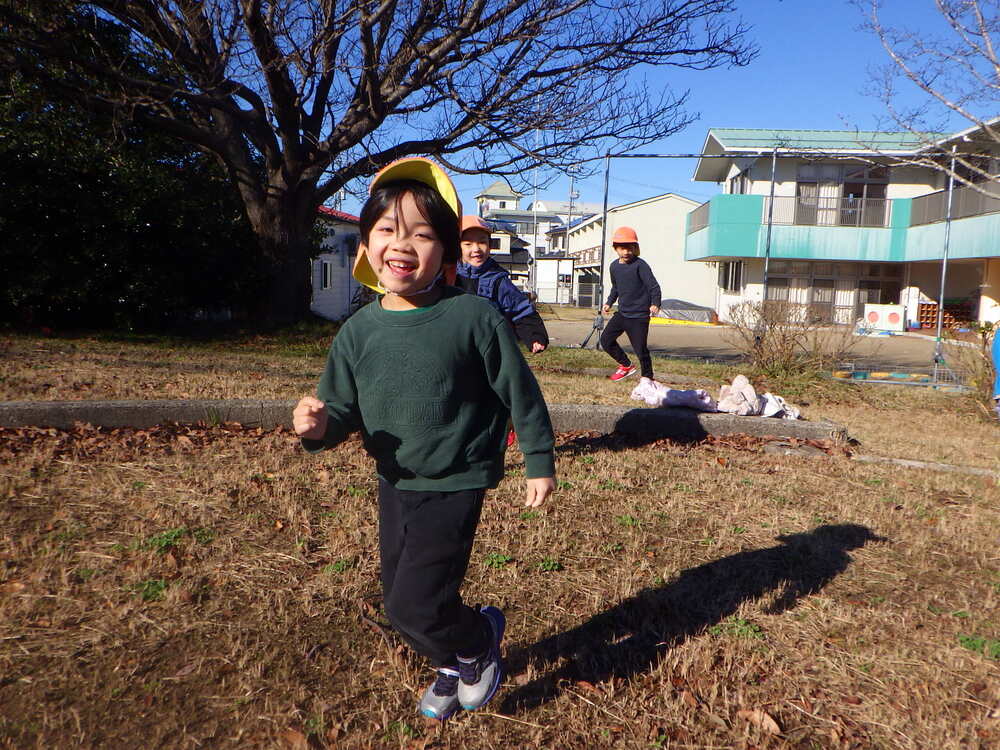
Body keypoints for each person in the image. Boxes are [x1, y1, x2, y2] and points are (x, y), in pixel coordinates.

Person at [292, 157, 556, 722]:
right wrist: (318, 428)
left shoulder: (474, 317)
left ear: (447, 252)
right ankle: (456, 656)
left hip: (457, 477)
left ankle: (476, 643)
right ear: (366, 245)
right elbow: (340, 406)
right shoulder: (358, 330)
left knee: (414, 601)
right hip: (395, 477)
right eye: (387, 229)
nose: (402, 243)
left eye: (422, 232)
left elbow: (520, 393)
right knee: (405, 600)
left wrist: (538, 457)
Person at [455, 215, 549, 353]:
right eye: (468, 244)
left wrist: (535, 335)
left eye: (482, 242)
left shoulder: (498, 279)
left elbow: (520, 309)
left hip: (488, 347)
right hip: (454, 345)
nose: (476, 249)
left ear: (490, 245)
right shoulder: (448, 275)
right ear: (458, 247)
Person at [599, 226, 661, 382]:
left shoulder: (640, 265)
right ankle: (626, 365)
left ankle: (648, 379)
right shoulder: (614, 267)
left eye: (630, 248)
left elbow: (653, 286)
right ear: (616, 249)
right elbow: (616, 287)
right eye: (622, 248)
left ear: (635, 248)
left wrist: (655, 304)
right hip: (622, 314)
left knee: (640, 350)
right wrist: (609, 302)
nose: (626, 252)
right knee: (605, 340)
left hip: (639, 316)